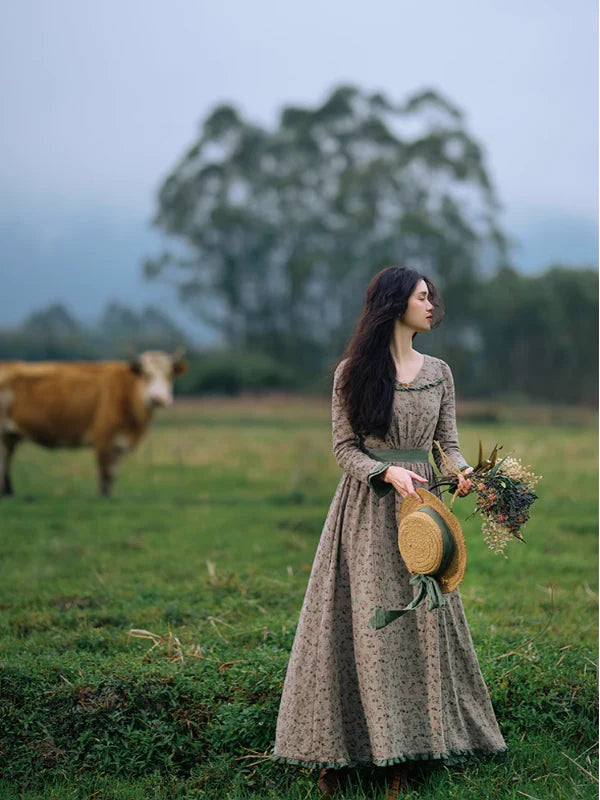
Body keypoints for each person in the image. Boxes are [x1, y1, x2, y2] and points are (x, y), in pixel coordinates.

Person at [269, 266, 507, 798]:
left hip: (424, 514)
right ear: (395, 304)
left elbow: (447, 446)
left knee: (420, 623)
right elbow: (343, 449)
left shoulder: (440, 372)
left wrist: (464, 475)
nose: (432, 305)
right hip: (368, 510)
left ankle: (413, 749)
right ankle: (341, 753)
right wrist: (385, 471)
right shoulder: (352, 372)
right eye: (423, 297)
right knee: (362, 625)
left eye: (431, 297)